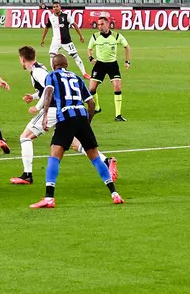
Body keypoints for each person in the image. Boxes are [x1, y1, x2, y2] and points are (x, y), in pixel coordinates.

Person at [28, 54, 124, 209]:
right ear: (67, 65)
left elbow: (49, 93)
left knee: (54, 156)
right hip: (81, 116)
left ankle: (49, 198)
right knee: (95, 158)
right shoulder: (76, 77)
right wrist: (87, 123)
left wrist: (45, 116)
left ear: (54, 65)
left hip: (65, 117)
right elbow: (91, 103)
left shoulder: (52, 76)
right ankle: (114, 194)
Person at [12, 46, 117, 185]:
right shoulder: (39, 68)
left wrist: (37, 107)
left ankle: (27, 175)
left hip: (55, 108)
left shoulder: (37, 71)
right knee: (74, 142)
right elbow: (47, 88)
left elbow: (49, 90)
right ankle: (106, 161)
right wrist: (33, 96)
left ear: (22, 59)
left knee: (25, 137)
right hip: (63, 110)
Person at [86, 16, 131, 122]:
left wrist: (127, 61)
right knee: (91, 89)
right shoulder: (95, 36)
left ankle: (118, 115)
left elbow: (127, 47)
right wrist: (90, 57)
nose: (99, 26)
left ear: (107, 24)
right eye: (98, 25)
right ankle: (97, 107)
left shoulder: (116, 36)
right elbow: (89, 48)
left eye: (102, 24)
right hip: (99, 65)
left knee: (117, 87)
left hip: (112, 65)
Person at [39, 2, 87, 78]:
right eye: (54, 7)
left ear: (60, 7)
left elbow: (74, 25)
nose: (55, 8)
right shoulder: (51, 17)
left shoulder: (66, 16)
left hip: (66, 40)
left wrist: (81, 36)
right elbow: (46, 27)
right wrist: (42, 39)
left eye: (57, 6)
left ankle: (84, 73)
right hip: (55, 41)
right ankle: (55, 74)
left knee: (76, 56)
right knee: (52, 56)